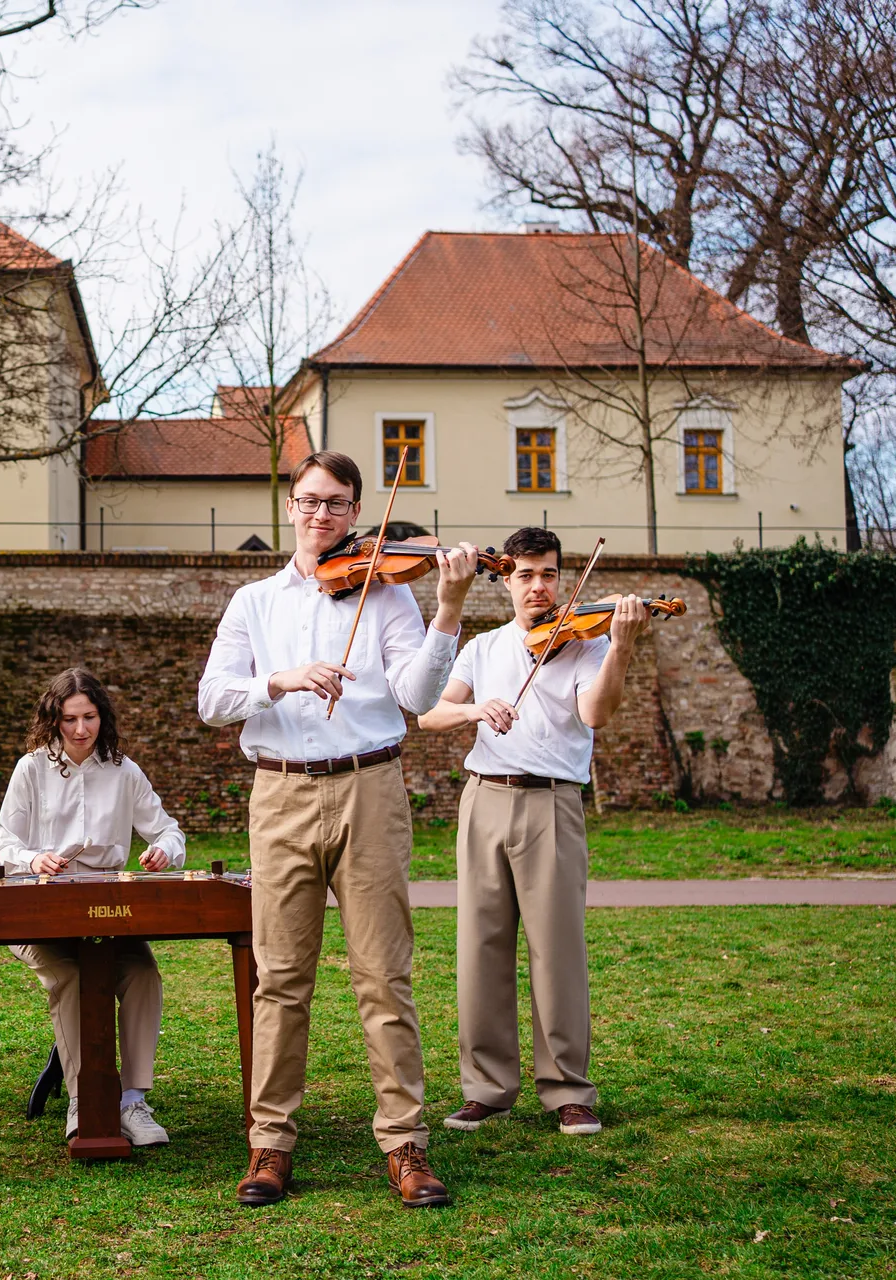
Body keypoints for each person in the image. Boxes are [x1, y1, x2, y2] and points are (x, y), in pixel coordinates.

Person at [198, 450, 480, 1210]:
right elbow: (212, 699)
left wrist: (448, 609)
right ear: (291, 506)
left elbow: (418, 697)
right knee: (280, 978)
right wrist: (279, 680)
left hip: (370, 787)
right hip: (281, 793)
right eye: (310, 501)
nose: (322, 515)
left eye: (338, 504)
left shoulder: (386, 596)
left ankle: (406, 1145)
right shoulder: (253, 601)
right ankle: (270, 1144)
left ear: (358, 514)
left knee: (383, 975)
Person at [416, 527, 648, 1139]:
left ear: (562, 578)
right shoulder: (484, 648)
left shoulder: (585, 646)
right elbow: (429, 713)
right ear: (506, 581)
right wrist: (473, 710)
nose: (538, 586)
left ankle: (568, 1091)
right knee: (480, 947)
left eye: (548, 574)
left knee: (557, 951)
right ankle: (487, 1090)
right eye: (525, 575)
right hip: (484, 797)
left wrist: (621, 647)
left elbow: (595, 713)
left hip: (551, 802)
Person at [0, 667, 187, 1148]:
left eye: (90, 717)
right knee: (75, 977)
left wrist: (166, 851)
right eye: (70, 719)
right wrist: (34, 857)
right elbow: (4, 846)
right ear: (53, 720)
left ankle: (131, 1101)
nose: (81, 730)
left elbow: (169, 830)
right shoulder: (32, 768)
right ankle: (84, 1099)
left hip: (109, 916)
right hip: (38, 909)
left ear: (103, 716)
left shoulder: (124, 770)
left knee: (142, 974)